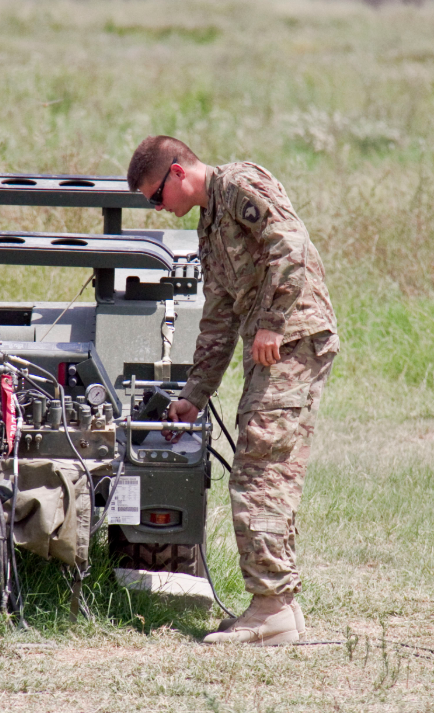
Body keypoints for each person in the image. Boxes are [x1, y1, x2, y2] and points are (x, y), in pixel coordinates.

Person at [127, 136, 338, 645]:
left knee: (261, 469)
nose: (159, 209)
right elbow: (218, 318)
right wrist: (193, 395)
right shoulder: (209, 223)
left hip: (291, 338)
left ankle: (272, 611)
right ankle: (275, 606)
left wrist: (271, 321)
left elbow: (290, 243)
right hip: (275, 344)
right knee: (262, 466)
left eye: (157, 196)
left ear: (178, 173)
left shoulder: (241, 183)